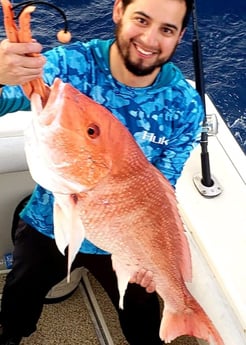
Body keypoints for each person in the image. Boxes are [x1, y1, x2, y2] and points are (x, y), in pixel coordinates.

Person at [0, 0, 204, 344]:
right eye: (141, 19)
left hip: (125, 245)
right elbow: (9, 97)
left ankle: (179, 315)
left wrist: (150, 259)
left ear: (180, 36)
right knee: (17, 301)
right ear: (118, 12)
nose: (150, 39)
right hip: (49, 220)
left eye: (166, 29)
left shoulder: (184, 104)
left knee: (143, 326)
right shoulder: (70, 67)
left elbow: (161, 188)